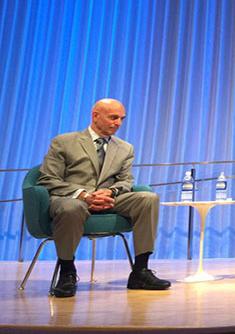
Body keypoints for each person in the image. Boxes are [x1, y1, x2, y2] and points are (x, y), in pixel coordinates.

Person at [38, 98, 171, 298]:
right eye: (113, 117)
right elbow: (48, 179)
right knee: (71, 208)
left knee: (147, 198)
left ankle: (140, 271)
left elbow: (126, 181)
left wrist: (111, 192)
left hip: (108, 199)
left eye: (121, 119)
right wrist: (84, 195)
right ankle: (67, 273)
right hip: (71, 198)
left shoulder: (125, 148)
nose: (118, 123)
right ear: (95, 116)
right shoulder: (64, 142)